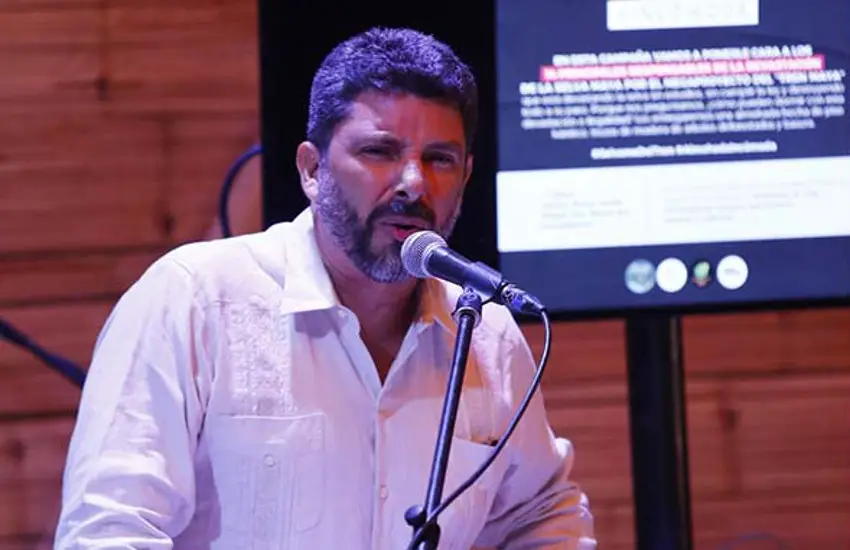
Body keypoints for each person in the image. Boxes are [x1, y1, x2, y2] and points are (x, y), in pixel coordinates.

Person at [53, 27, 596, 549]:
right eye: (380, 152)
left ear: (465, 177)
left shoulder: (486, 333)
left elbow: (542, 513)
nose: (413, 183)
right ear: (312, 170)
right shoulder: (195, 300)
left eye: (439, 160)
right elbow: (110, 530)